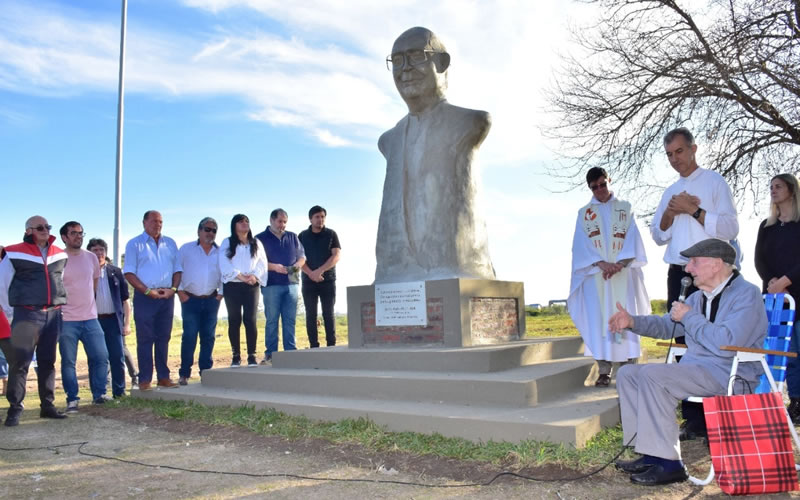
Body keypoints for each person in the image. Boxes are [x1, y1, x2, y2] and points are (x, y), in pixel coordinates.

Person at [609, 239, 766, 486]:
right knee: (629, 374)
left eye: (694, 262)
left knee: (653, 375)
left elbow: (726, 342)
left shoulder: (747, 295)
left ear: (716, 265)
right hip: (698, 369)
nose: (688, 269)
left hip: (731, 372)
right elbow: (666, 325)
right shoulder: (697, 298)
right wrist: (632, 322)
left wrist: (690, 317)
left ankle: (670, 463)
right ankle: (651, 453)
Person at [376, 26, 494, 284]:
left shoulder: (470, 122)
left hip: (458, 271)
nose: (405, 68)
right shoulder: (390, 140)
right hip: (397, 277)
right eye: (397, 61)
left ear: (442, 62)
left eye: (416, 56)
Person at [650, 126, 739, 440]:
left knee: (711, 341)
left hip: (712, 274)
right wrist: (672, 213)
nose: (676, 160)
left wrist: (695, 210)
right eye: (670, 155)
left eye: (680, 152)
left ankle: (720, 415)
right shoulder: (669, 192)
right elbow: (659, 235)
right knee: (684, 342)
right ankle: (692, 419)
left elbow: (729, 227)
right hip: (679, 272)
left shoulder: (714, 182)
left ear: (693, 149)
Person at [567, 168, 650, 386]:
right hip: (597, 275)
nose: (600, 190)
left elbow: (633, 236)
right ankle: (604, 369)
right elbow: (580, 245)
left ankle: (629, 368)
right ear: (590, 188)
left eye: (603, 184)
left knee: (626, 316)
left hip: (623, 273)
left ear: (609, 181)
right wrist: (602, 263)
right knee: (599, 320)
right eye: (595, 187)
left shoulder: (625, 208)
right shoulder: (584, 214)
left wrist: (620, 263)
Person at [0, 216, 69, 426]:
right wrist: (12, 314)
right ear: (29, 230)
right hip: (26, 315)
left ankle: (47, 406)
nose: (45, 230)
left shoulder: (60, 253)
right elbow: (3, 285)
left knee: (48, 362)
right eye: (40, 227)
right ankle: (15, 409)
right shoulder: (13, 252)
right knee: (20, 363)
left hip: (53, 314)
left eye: (47, 227)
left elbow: (60, 281)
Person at [754, 173, 800, 422]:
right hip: (775, 300)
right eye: (770, 187)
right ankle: (794, 404)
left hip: (796, 293)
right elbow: (759, 259)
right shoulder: (766, 226)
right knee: (785, 353)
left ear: (792, 190)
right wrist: (772, 281)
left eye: (778, 186)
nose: (773, 190)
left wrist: (786, 281)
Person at [123, 210, 182, 391]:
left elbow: (178, 270)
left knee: (164, 337)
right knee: (146, 338)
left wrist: (173, 290)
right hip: (145, 297)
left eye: (161, 222)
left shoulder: (170, 243)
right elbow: (129, 273)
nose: (158, 225)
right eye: (154, 221)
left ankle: (163, 377)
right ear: (144, 223)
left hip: (167, 296)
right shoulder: (135, 244)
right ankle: (145, 379)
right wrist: (147, 291)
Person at [58, 222, 110, 411]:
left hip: (90, 318)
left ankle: (100, 395)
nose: (78, 237)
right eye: (74, 233)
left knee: (101, 356)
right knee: (69, 362)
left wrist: (89, 306)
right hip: (66, 319)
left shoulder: (91, 258)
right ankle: (72, 398)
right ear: (64, 237)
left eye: (81, 233)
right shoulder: (58, 257)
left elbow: (94, 284)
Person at [177, 217, 224, 383]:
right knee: (189, 336)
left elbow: (225, 274)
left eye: (214, 230)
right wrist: (180, 293)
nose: (210, 233)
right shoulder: (186, 249)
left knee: (208, 337)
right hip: (190, 300)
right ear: (199, 230)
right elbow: (176, 271)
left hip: (212, 300)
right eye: (207, 229)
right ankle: (184, 373)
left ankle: (206, 372)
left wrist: (220, 295)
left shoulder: (221, 252)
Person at [256, 209, 305, 363]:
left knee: (290, 319)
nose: (282, 225)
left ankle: (290, 352)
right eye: (279, 221)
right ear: (271, 220)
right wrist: (274, 267)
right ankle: (271, 354)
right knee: (272, 320)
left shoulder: (293, 237)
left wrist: (297, 265)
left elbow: (302, 257)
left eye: (285, 222)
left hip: (292, 284)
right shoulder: (259, 239)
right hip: (271, 285)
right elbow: (257, 262)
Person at [87, 237, 134, 398]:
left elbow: (125, 300)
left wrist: (127, 324)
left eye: (101, 250)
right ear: (89, 253)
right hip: (94, 321)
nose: (99, 253)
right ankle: (98, 394)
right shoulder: (85, 273)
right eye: (95, 250)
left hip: (114, 321)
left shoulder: (115, 272)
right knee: (97, 358)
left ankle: (119, 392)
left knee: (117, 356)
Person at [219, 214, 268, 367]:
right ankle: (236, 356)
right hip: (233, 285)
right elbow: (224, 262)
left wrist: (254, 276)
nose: (245, 223)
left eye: (247, 221)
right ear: (234, 225)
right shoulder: (227, 242)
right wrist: (239, 276)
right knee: (234, 320)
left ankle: (252, 355)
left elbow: (262, 262)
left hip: (251, 286)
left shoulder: (256, 243)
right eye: (241, 221)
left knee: (250, 319)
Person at [298, 206, 341, 348]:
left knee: (328, 313)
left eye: (322, 216)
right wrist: (311, 273)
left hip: (327, 280)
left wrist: (320, 271)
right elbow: (297, 258)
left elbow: (336, 255)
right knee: (311, 314)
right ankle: (314, 346)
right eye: (317, 217)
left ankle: (331, 345)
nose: (320, 219)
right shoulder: (302, 236)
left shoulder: (331, 234)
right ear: (310, 219)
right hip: (308, 280)